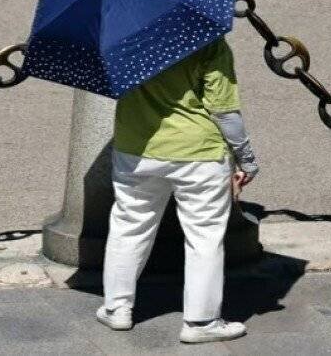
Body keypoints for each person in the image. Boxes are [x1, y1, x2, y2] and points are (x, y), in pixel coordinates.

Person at [96, 36, 260, 342]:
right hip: (199, 152)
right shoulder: (207, 39)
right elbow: (224, 111)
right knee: (204, 236)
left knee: (129, 226)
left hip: (136, 148)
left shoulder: (122, 36)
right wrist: (246, 158)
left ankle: (116, 308)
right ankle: (201, 322)